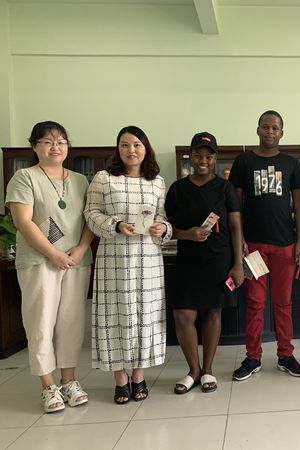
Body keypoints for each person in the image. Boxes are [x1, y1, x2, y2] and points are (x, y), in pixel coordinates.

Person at [6, 121, 94, 413]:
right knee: (40, 321)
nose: (55, 147)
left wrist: (81, 248)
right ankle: (47, 385)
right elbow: (23, 221)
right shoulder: (24, 177)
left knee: (71, 322)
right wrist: (53, 253)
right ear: (34, 146)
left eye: (61, 141)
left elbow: (91, 219)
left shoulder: (80, 181)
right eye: (47, 141)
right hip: (39, 261)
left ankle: (69, 381)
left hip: (76, 261)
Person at [84, 126, 172, 404]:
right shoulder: (103, 178)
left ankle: (139, 375)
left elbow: (163, 217)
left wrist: (162, 227)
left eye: (136, 145)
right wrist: (117, 224)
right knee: (115, 314)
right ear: (118, 149)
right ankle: (120, 378)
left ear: (146, 149)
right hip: (114, 258)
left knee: (145, 315)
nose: (131, 150)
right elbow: (90, 213)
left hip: (148, 260)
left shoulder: (157, 182)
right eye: (125, 145)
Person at [228, 111, 300, 380]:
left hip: (285, 245)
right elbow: (235, 205)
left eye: (275, 128)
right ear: (258, 130)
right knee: (255, 303)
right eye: (266, 127)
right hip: (254, 247)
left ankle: (286, 355)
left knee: (283, 303)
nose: (270, 132)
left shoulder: (290, 164)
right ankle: (253, 358)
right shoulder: (244, 162)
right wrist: (240, 241)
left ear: (282, 133)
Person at [165, 132, 244, 394]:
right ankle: (193, 370)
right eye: (198, 155)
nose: (203, 160)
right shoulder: (177, 189)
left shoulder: (225, 188)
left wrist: (238, 264)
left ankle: (208, 369)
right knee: (183, 315)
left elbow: (235, 226)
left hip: (218, 260)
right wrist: (187, 234)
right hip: (187, 260)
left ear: (215, 158)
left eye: (208, 156)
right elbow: (165, 228)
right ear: (190, 156)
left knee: (213, 312)